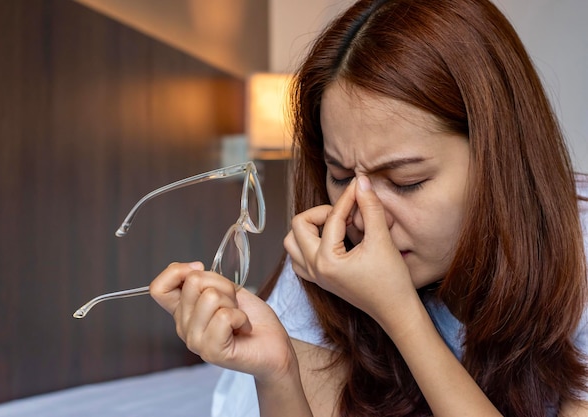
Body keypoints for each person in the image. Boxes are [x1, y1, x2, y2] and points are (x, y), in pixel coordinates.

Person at [149, 0, 588, 415]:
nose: (360, 217)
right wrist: (278, 373)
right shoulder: (328, 254)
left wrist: (400, 314)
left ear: (500, 159)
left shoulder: (577, 253)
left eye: (406, 182)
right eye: (340, 175)